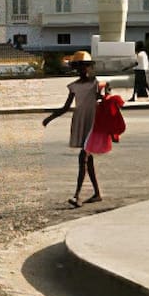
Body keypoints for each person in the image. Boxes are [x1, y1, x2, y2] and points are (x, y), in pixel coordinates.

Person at [42, 58, 105, 206]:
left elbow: (104, 100)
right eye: (79, 67)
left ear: (90, 67)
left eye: (85, 67)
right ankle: (97, 193)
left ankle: (77, 195)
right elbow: (65, 107)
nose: (83, 70)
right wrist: (50, 118)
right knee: (87, 160)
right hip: (80, 121)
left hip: (93, 123)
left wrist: (102, 96)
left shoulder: (96, 84)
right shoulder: (74, 86)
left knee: (83, 157)